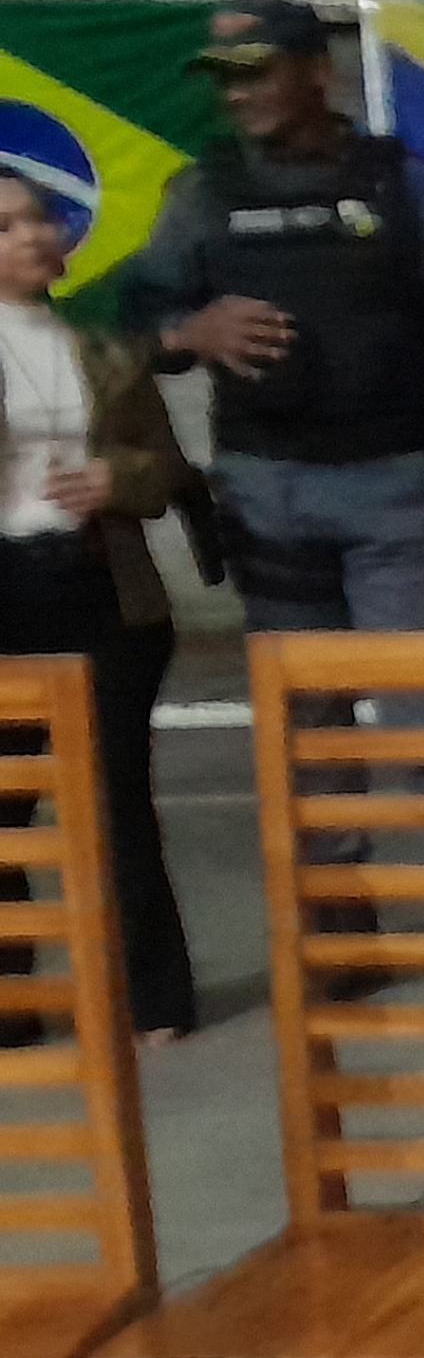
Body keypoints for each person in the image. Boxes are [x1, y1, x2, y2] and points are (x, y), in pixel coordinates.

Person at [124, 0, 424, 998]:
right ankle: (342, 934)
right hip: (264, 493)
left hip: (394, 490)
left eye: (256, 71)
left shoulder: (401, 183)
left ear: (316, 72)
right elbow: (138, 317)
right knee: (308, 732)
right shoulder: (202, 192)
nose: (238, 94)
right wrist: (190, 332)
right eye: (224, 78)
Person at [0, 170, 200, 1041]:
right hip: (7, 587)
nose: (33, 236)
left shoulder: (103, 347)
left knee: (117, 800)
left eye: (38, 218)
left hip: (99, 585)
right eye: (6, 227)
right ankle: (12, 1002)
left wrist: (120, 477)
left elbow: (168, 466)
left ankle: (154, 1001)